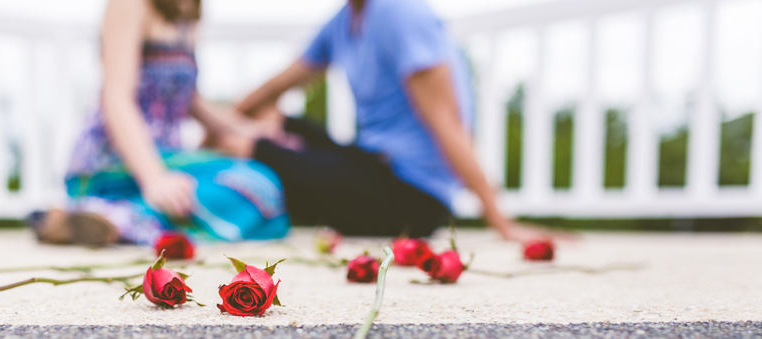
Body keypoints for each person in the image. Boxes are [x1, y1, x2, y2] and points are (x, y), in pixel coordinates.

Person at [217, 0, 560, 243]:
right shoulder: (344, 18)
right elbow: (275, 87)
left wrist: (500, 221)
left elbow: (448, 123)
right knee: (272, 122)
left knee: (255, 146)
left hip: (413, 199)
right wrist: (217, 125)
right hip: (371, 165)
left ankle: (197, 194)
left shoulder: (400, 11)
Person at [33, 0, 290, 247]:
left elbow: (191, 100)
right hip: (114, 160)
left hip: (168, 157)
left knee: (262, 192)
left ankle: (99, 218)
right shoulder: (129, 3)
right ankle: (118, 218)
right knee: (256, 185)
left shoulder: (188, 10)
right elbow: (117, 97)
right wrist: (154, 178)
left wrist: (252, 131)